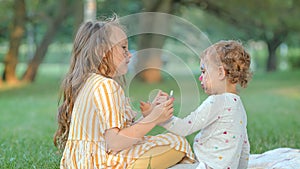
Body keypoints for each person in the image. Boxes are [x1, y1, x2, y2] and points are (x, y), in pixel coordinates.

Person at [53, 16, 195, 169]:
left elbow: (118, 135)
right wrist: (153, 119)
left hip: (80, 162)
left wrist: (148, 115)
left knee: (166, 142)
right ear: (102, 51)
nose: (129, 54)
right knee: (177, 142)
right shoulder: (106, 86)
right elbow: (115, 142)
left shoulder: (89, 82)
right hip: (100, 163)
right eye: (123, 48)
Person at [141, 40, 252, 169]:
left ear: (221, 73)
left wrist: (158, 117)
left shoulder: (216, 101)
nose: (200, 77)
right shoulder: (238, 105)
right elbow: (244, 146)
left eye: (204, 71)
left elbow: (184, 128)